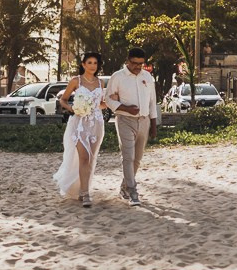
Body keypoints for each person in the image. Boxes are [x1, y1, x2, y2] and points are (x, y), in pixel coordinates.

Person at [104, 47, 158, 206]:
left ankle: (124, 187)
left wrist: (154, 125)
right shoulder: (117, 77)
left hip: (144, 121)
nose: (138, 67)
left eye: (141, 64)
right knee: (128, 157)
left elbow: (152, 102)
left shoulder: (147, 77)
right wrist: (126, 108)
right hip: (125, 120)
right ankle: (133, 192)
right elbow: (108, 99)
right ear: (127, 61)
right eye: (135, 63)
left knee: (137, 159)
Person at [53, 52, 106, 208]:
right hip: (79, 123)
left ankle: (84, 188)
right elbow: (62, 99)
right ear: (83, 64)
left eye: (95, 63)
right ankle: (85, 194)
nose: (92, 66)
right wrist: (72, 108)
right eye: (89, 63)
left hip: (96, 122)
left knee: (90, 159)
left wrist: (107, 103)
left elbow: (101, 103)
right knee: (83, 157)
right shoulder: (76, 81)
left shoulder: (100, 83)